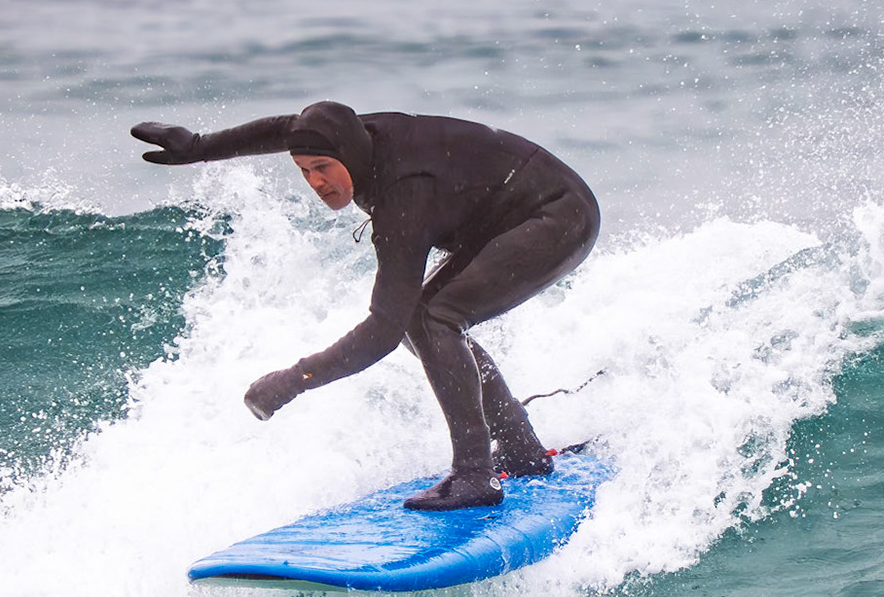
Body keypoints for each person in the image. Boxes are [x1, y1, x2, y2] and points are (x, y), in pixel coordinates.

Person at [131, 102, 600, 511]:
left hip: (557, 213)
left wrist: (291, 381)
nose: (316, 182)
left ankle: (475, 473)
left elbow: (382, 332)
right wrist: (197, 147)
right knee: (424, 315)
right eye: (305, 171)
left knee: (437, 317)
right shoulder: (352, 136)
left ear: (348, 156)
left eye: (323, 168)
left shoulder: (404, 198)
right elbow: (287, 130)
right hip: (505, 211)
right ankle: (518, 448)